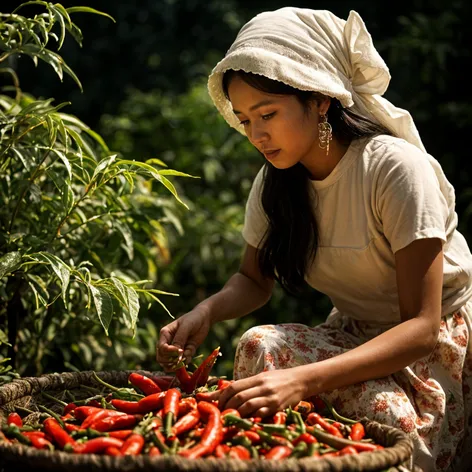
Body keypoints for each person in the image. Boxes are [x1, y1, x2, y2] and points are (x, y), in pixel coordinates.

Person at [156, 7, 472, 471]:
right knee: (258, 344)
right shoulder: (277, 183)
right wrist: (205, 311)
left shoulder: (393, 169)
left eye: (268, 113)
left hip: (434, 346)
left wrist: (301, 381)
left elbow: (421, 330)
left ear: (321, 100)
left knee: (386, 425)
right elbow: (252, 279)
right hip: (354, 335)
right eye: (245, 120)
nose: (257, 134)